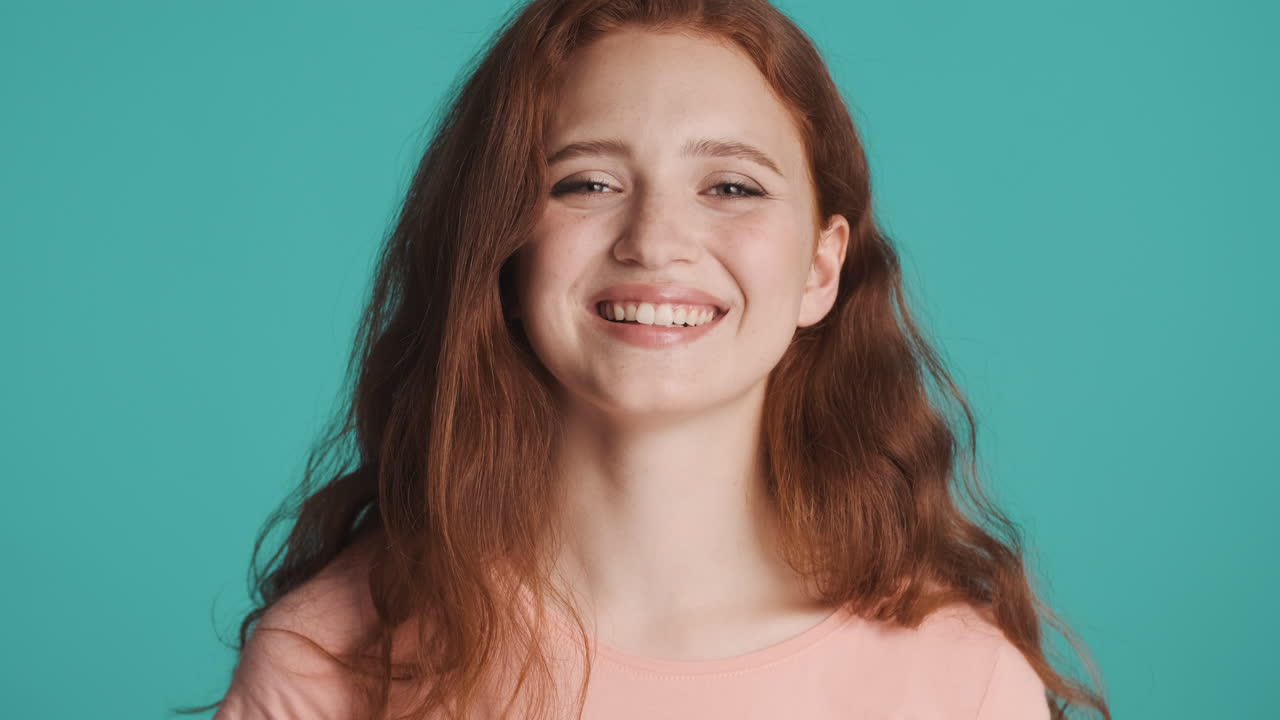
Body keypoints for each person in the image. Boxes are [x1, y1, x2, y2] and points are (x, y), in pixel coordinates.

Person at [183, 1, 1111, 718]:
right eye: (586, 182)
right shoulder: (332, 660)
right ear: (504, 252)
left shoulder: (960, 682)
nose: (655, 240)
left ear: (820, 269)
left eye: (732, 187)